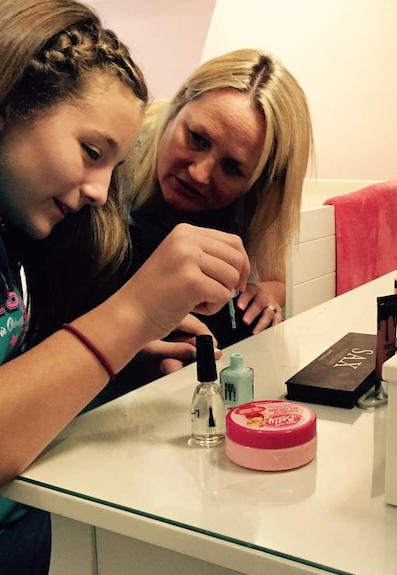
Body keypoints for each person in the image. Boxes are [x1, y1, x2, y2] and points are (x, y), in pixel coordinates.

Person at [0, 1, 249, 574]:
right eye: (90, 152)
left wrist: (110, 360)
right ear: (4, 103)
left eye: (115, 166)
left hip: (23, 524)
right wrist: (128, 316)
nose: (102, 192)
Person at [90, 49, 313, 384]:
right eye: (197, 139)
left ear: (257, 187)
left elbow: (274, 279)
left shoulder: (250, 209)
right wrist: (128, 338)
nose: (199, 173)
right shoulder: (105, 173)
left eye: (232, 168)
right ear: (177, 107)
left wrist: (265, 296)